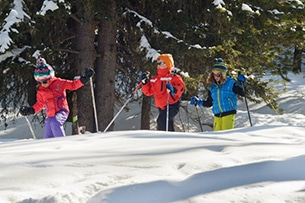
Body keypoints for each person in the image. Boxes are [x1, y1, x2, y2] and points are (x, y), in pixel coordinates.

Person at [19, 58, 94, 138]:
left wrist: (84, 79)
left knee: (55, 122)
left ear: (50, 76)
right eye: (40, 81)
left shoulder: (59, 83)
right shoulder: (41, 91)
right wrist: (30, 110)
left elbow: (73, 85)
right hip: (50, 115)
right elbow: (40, 104)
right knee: (48, 134)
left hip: (62, 111)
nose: (43, 84)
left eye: (45, 81)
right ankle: (50, 148)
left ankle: (62, 143)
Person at [190, 58, 246, 131]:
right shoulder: (212, 87)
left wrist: (242, 84)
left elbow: (242, 92)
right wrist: (198, 102)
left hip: (228, 114)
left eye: (218, 75)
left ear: (223, 74)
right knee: (217, 138)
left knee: (225, 137)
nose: (216, 77)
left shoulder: (231, 83)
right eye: (214, 74)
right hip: (217, 116)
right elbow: (209, 102)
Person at [141, 54, 185, 131]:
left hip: (171, 104)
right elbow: (148, 92)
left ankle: (166, 137)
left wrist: (173, 89)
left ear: (168, 64)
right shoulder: (155, 79)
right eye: (157, 63)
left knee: (162, 120)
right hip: (161, 106)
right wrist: (145, 83)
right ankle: (166, 137)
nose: (158, 65)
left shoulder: (173, 77)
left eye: (161, 63)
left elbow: (180, 87)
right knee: (164, 121)